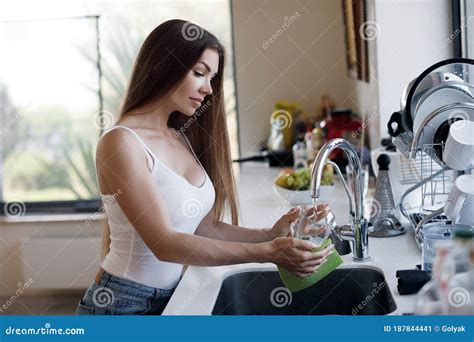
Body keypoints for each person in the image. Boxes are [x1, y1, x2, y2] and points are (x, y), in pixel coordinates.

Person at [75, 19, 333, 315]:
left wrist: (269, 234)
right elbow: (164, 243)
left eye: (212, 78)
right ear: (164, 66)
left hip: (172, 295)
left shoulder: (179, 136)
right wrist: (267, 253)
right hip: (122, 305)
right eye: (200, 73)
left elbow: (204, 227)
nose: (208, 89)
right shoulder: (121, 142)